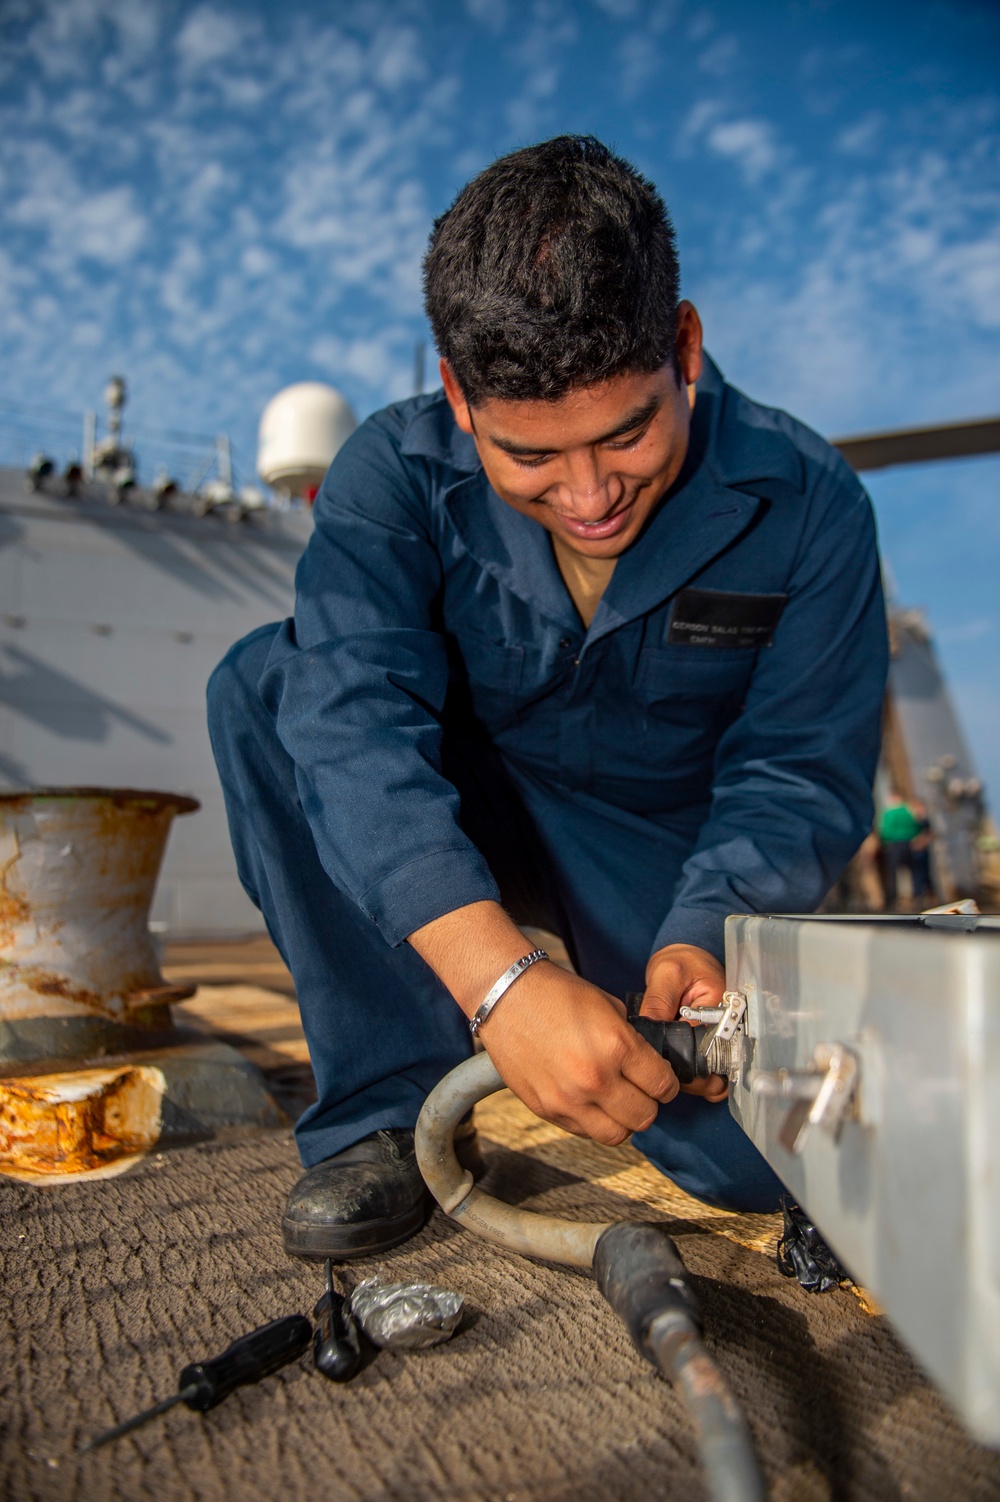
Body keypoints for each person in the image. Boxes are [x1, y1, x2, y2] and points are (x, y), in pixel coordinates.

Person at [208, 136, 888, 1260]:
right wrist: (500, 979)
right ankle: (379, 1108)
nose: (587, 495)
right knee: (264, 681)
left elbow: (794, 768)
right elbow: (350, 717)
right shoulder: (390, 476)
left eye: (626, 432)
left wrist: (705, 929)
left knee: (752, 1167)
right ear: (456, 395)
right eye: (530, 453)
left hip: (657, 858)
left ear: (682, 344)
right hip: (463, 807)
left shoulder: (809, 499)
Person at [877, 790, 921, 908]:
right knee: (913, 870)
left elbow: (885, 830)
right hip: (909, 843)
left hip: (894, 844)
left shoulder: (889, 813)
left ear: (893, 798)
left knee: (893, 872)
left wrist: (883, 841)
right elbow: (916, 826)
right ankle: (917, 895)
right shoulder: (908, 811)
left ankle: (894, 898)